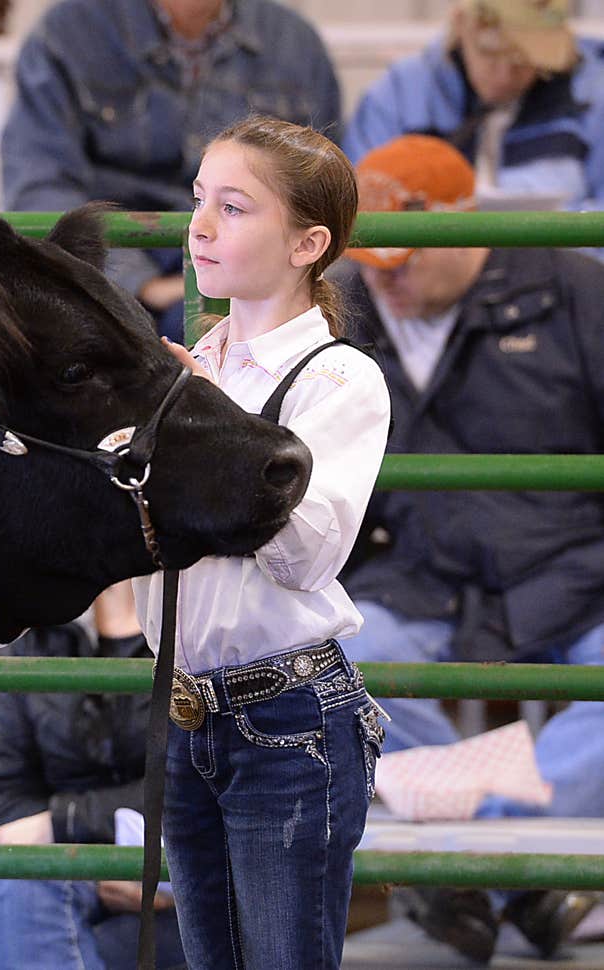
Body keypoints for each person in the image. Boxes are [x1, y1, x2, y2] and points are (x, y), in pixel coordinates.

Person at [131, 116, 391, 970]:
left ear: (307, 243)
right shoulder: (188, 366)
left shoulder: (339, 378)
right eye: (200, 200)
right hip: (184, 707)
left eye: (234, 208)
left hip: (290, 719)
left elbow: (306, 554)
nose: (200, 226)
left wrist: (213, 430)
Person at [337, 132, 604, 964]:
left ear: (465, 222)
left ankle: (469, 859)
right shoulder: (347, 307)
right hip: (427, 580)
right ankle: (525, 879)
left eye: (405, 258)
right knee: (328, 661)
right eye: (371, 260)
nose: (386, 276)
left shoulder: (569, 286)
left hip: (581, 573)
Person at [0, 0, 341, 343]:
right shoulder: (66, 34)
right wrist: (140, 282)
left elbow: (325, 188)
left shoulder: (296, 42)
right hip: (116, 274)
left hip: (245, 271)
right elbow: (40, 186)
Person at [0, 581, 186, 970]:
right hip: (70, 874)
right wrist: (90, 867)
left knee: (21, 934)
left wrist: (62, 821)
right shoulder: (36, 637)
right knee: (21, 885)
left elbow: (192, 782)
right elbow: (7, 791)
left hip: (177, 880)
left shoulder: (196, 627)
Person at [343, 0, 604, 213]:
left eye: (523, 60)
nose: (503, 75)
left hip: (558, 273)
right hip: (420, 272)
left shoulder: (593, 92)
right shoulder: (399, 95)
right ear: (460, 25)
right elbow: (359, 211)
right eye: (489, 53)